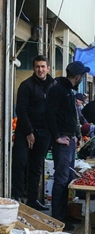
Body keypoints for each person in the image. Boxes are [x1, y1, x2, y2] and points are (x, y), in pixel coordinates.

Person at [46, 61, 90, 231]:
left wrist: (77, 136)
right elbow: (49, 115)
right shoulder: (58, 90)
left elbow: (73, 117)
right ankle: (57, 217)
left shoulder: (67, 91)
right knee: (62, 178)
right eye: (82, 76)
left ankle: (63, 213)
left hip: (69, 139)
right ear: (78, 77)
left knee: (67, 178)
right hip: (63, 140)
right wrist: (57, 137)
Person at [11, 55, 55, 210]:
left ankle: (32, 199)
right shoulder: (26, 85)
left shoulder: (53, 85)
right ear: (33, 68)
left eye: (43, 66)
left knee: (36, 166)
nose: (40, 70)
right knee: (20, 162)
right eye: (37, 67)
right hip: (25, 131)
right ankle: (16, 196)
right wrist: (29, 132)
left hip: (44, 132)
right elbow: (21, 110)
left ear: (48, 68)